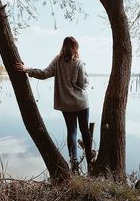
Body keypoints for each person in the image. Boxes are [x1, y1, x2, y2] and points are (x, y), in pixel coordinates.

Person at [15, 36, 94, 174]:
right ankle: (89, 159)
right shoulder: (79, 63)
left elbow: (45, 73)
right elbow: (83, 84)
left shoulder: (57, 61)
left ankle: (74, 162)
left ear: (63, 46)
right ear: (76, 48)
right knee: (85, 131)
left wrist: (28, 69)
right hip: (81, 103)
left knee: (72, 132)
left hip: (66, 105)